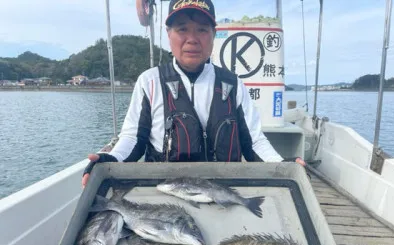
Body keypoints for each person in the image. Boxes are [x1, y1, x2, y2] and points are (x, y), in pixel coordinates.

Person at [82, 0, 305, 187]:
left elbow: (253, 142)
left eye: (202, 29)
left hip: (225, 188)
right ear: (168, 34)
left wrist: (282, 165)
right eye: (182, 29)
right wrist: (111, 159)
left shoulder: (233, 84)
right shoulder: (149, 81)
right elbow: (133, 139)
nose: (192, 39)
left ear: (213, 35)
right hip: (168, 189)